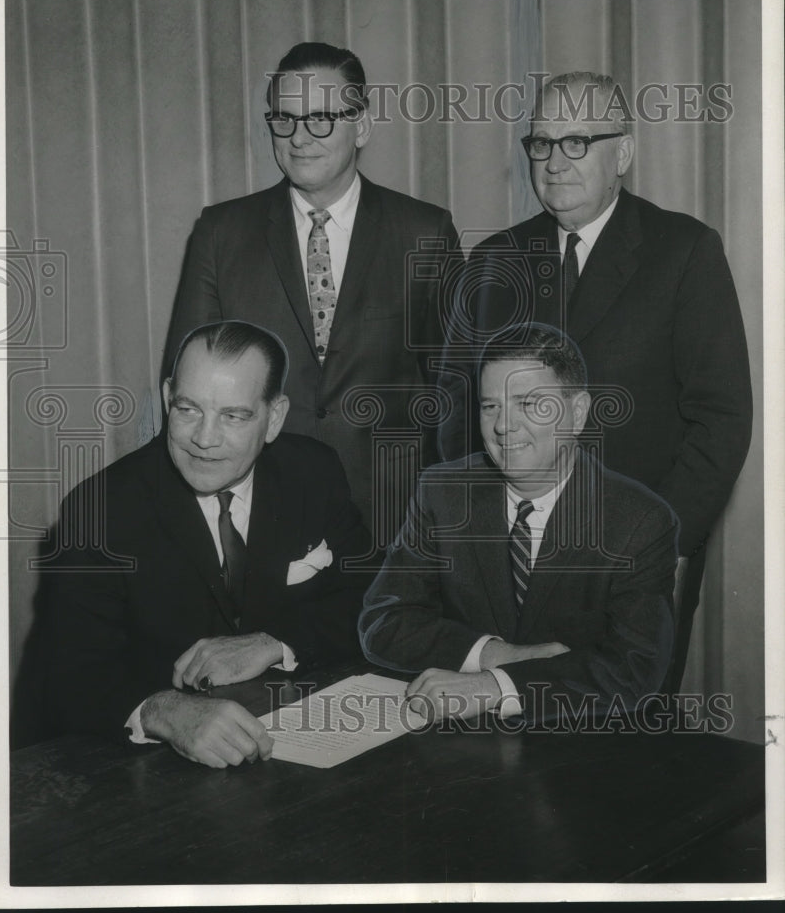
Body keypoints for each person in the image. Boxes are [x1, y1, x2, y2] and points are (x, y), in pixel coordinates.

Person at [438, 71, 751, 691]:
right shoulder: (495, 259)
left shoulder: (684, 250)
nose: (555, 162)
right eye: (541, 143)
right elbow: (453, 408)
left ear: (623, 154)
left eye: (578, 142)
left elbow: (721, 418)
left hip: (631, 561)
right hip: (512, 560)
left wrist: (661, 544)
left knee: (617, 751)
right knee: (500, 735)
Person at [165, 41, 461, 542]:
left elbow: (454, 389)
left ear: (361, 125)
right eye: (285, 119)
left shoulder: (425, 232)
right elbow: (186, 382)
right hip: (260, 512)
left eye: (321, 119)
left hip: (394, 518)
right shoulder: (221, 232)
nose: (300, 137)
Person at [43, 320, 371, 768]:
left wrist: (277, 642)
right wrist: (164, 710)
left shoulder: (312, 472)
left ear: (273, 418)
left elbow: (373, 599)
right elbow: (66, 676)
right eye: (188, 409)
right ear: (165, 400)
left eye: (233, 415)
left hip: (303, 747)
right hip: (155, 773)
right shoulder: (100, 509)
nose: (204, 439)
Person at [361, 324, 677, 725]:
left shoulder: (638, 521)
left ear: (577, 413)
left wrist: (496, 686)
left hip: (582, 746)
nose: (503, 426)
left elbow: (635, 670)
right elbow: (384, 622)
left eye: (529, 404)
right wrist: (495, 655)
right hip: (458, 743)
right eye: (491, 406)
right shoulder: (443, 491)